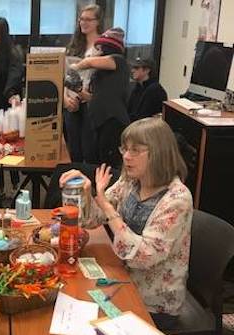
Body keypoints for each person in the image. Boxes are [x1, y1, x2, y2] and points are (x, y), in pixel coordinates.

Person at [59, 117, 192, 330]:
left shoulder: (177, 199)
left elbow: (143, 257)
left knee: (84, 324)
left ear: (159, 153)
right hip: (124, 279)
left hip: (154, 304)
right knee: (68, 293)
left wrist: (108, 207)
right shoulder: (131, 181)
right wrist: (85, 191)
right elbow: (93, 220)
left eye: (136, 150)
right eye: (125, 149)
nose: (126, 156)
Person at [71, 27, 131, 168]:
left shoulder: (118, 61)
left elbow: (88, 62)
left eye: (100, 48)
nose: (97, 51)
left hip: (113, 120)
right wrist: (77, 89)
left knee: (109, 163)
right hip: (100, 120)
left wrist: (73, 66)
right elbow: (94, 98)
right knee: (96, 159)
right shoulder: (104, 72)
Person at [63, 4, 104, 163]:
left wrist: (82, 95)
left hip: (89, 102)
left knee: (89, 150)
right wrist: (66, 101)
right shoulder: (73, 46)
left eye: (88, 19)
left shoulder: (101, 48)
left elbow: (99, 79)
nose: (83, 23)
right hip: (70, 102)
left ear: (98, 22)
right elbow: (65, 76)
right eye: (81, 19)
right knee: (73, 151)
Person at [127, 57, 168, 121]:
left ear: (147, 70)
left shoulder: (155, 90)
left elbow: (143, 116)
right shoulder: (138, 88)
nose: (132, 70)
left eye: (136, 68)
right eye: (133, 68)